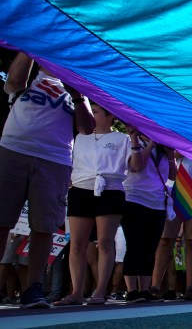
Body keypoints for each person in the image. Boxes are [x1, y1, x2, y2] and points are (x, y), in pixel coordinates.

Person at [0, 53, 95, 308]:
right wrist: (30, 47)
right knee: (1, 220)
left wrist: (77, 94)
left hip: (55, 160)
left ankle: (33, 289)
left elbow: (87, 128)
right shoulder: (29, 79)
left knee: (44, 227)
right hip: (13, 151)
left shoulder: (76, 92)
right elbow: (13, 82)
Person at [56, 104, 143, 306]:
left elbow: (136, 167)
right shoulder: (79, 137)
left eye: (94, 112)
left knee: (104, 242)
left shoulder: (122, 139)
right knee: (77, 244)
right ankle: (76, 292)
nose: (90, 115)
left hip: (110, 191)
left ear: (109, 115)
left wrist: (134, 139)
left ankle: (100, 291)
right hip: (80, 190)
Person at [121, 132, 175, 303]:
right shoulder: (132, 142)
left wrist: (171, 155)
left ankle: (145, 289)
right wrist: (150, 144)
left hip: (157, 203)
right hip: (134, 199)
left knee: (150, 247)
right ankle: (131, 290)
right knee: (134, 245)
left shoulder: (163, 151)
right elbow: (136, 166)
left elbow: (171, 176)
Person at [151, 154, 192, 301]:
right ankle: (154, 287)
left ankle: (190, 287)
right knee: (165, 240)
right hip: (174, 190)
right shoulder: (176, 135)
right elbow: (170, 153)